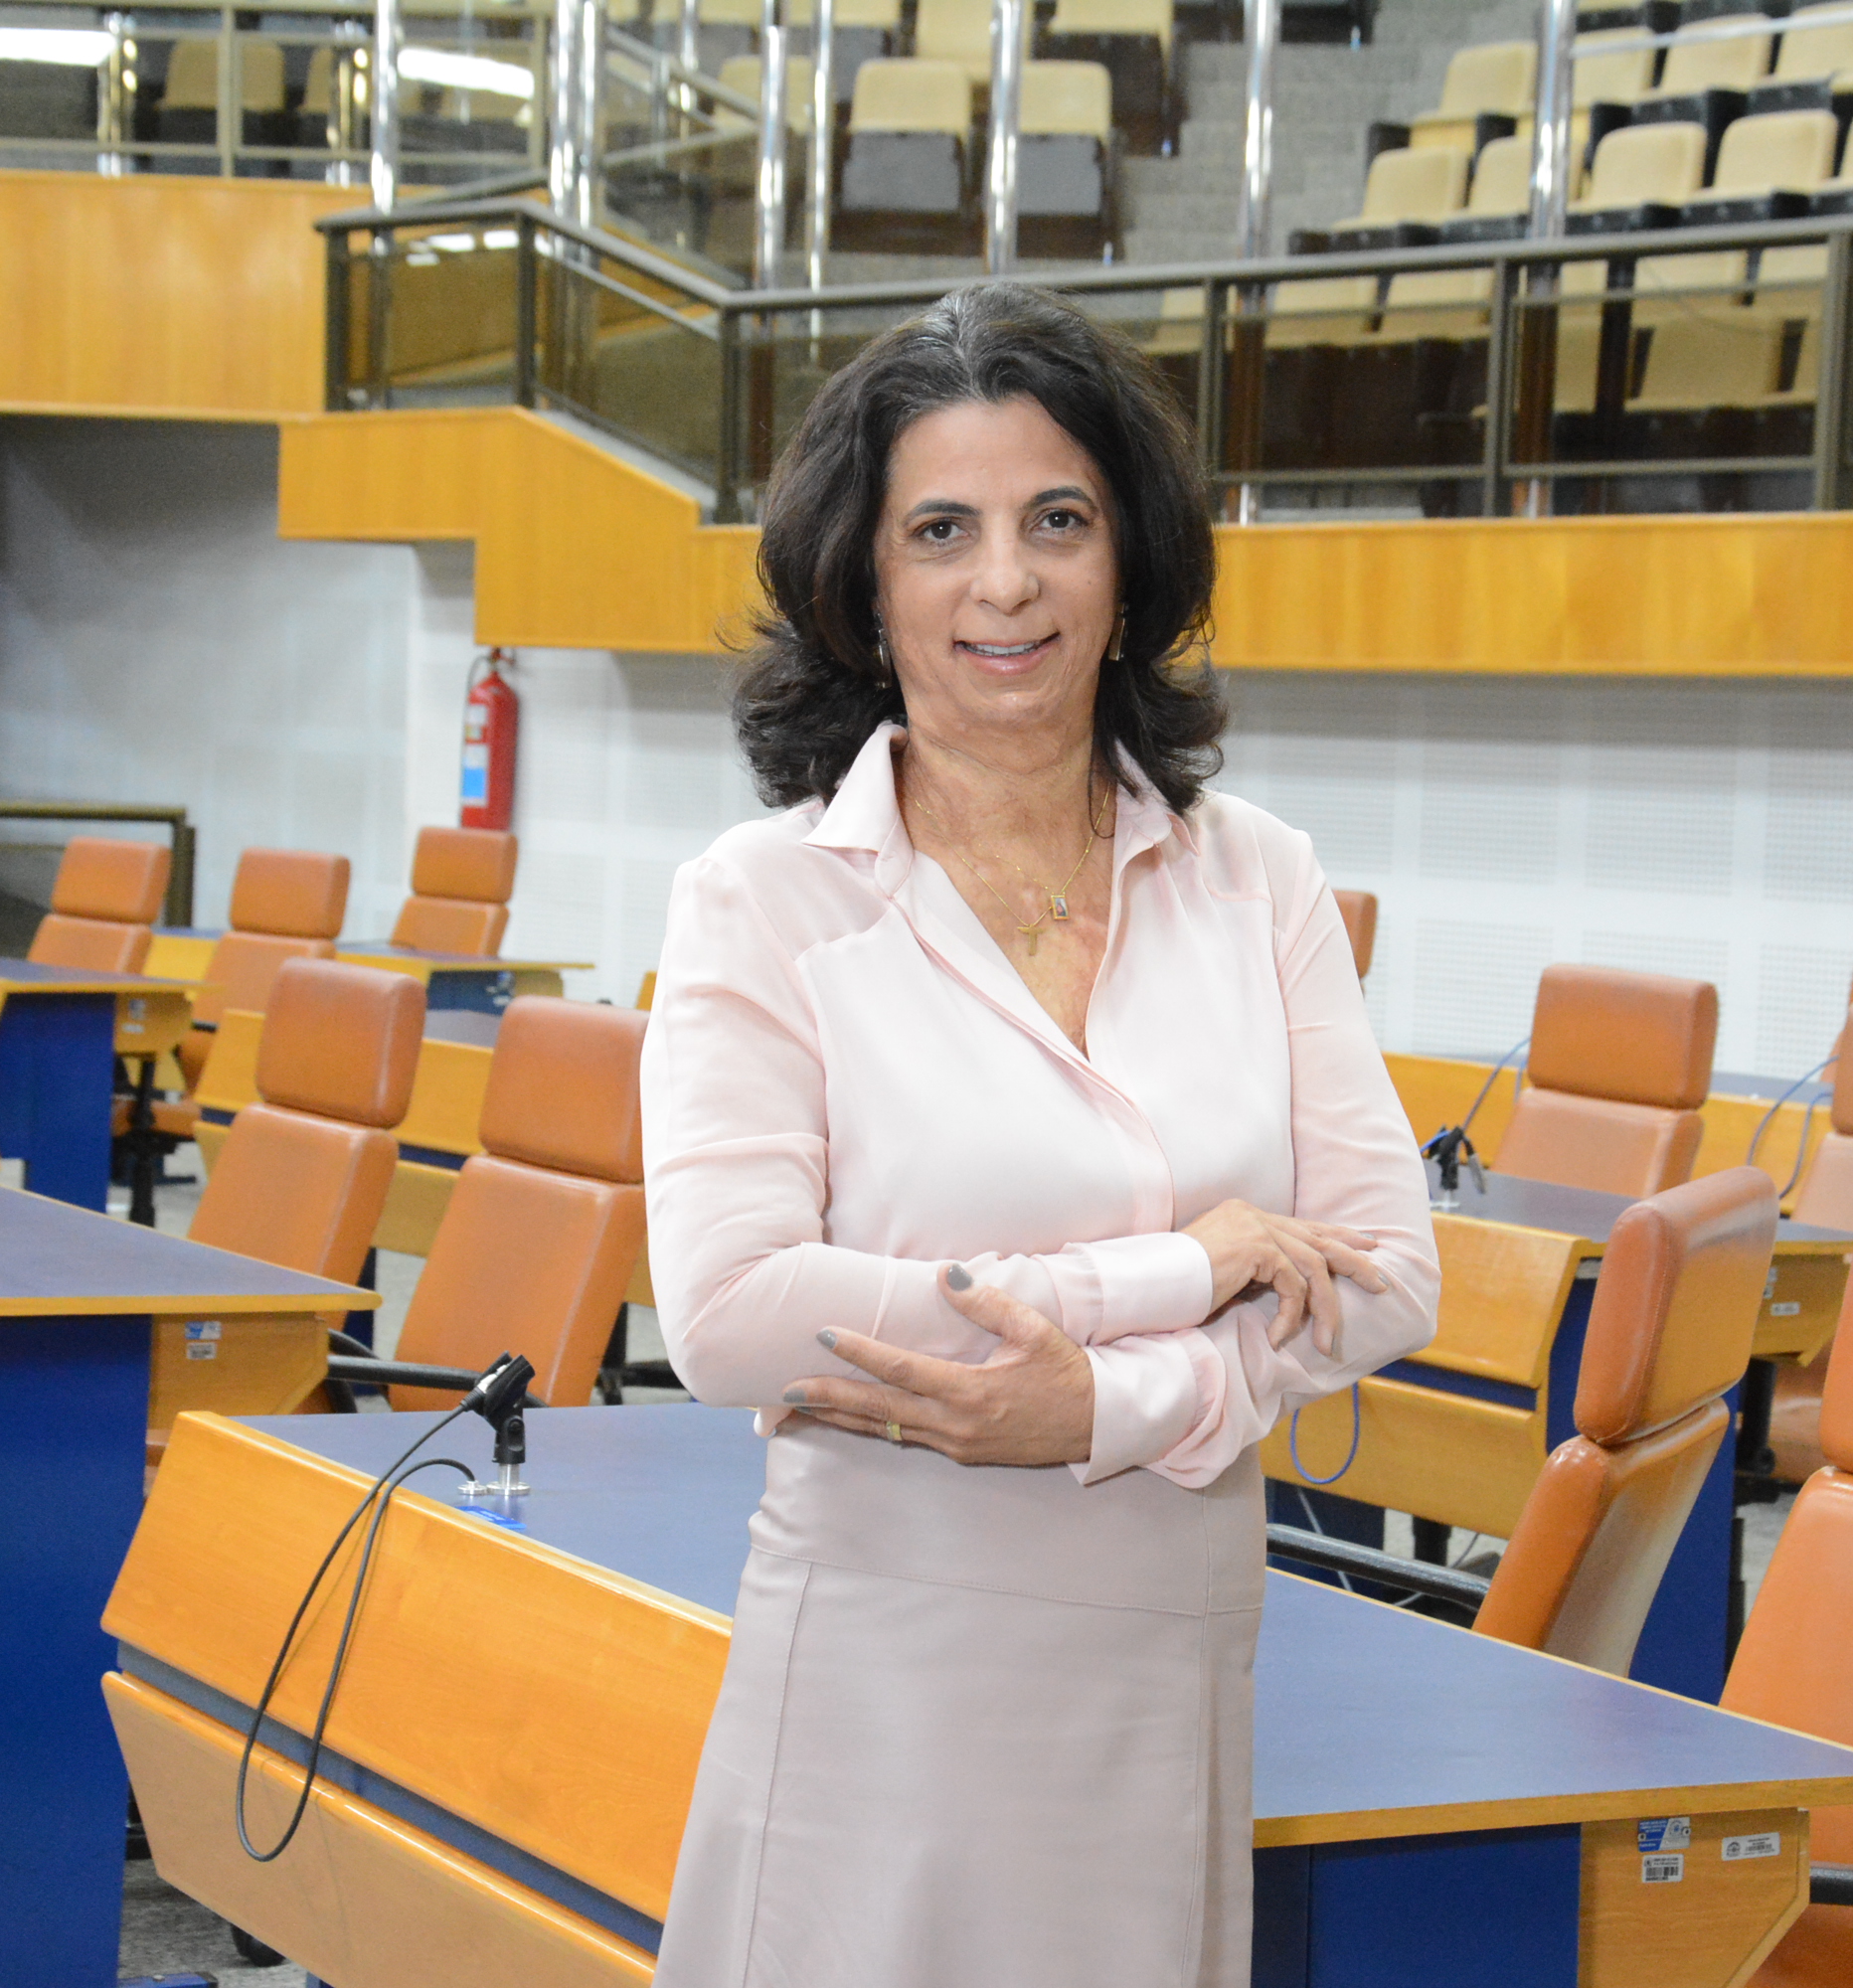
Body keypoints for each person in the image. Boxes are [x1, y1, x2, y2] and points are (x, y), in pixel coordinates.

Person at [639, 283, 1439, 1988]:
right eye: (942, 530)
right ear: (865, 586)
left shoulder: (1260, 877)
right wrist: (1181, 1272)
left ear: (1129, 564)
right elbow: (733, 1313)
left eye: (1057, 521)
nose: (1004, 582)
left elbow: (1383, 1273)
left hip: (1167, 1661)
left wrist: (1108, 1403)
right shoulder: (761, 899)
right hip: (884, 1677)